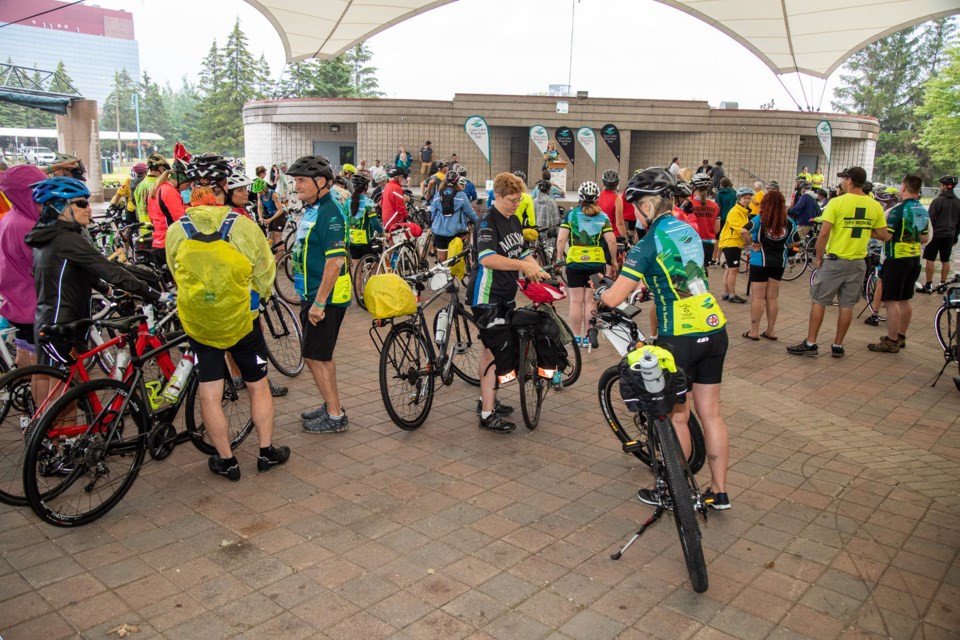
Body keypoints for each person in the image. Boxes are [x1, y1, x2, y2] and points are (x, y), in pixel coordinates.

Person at [598, 167, 731, 510]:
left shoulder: (647, 243)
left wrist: (601, 292)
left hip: (680, 336)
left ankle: (675, 493)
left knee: (678, 416)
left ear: (645, 205)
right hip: (714, 326)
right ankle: (718, 492)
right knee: (712, 414)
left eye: (637, 207)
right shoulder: (688, 228)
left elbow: (613, 299)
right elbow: (682, 275)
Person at [165, 154, 288, 480]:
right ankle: (265, 452)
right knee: (258, 385)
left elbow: (175, 272)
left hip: (200, 324)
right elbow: (265, 272)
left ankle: (226, 460)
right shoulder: (242, 226)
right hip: (240, 322)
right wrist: (255, 299)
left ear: (193, 188)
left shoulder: (178, 229)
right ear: (223, 186)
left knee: (210, 390)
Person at [469, 172, 546, 434]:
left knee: (490, 351)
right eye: (512, 200)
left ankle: (486, 400)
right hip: (486, 297)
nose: (516, 204)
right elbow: (488, 259)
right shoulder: (487, 222)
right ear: (497, 197)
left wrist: (541, 272)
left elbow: (522, 252)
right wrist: (524, 266)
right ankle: (487, 414)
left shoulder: (513, 221)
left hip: (506, 296)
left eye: (519, 199)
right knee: (495, 351)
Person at [787, 167, 890, 358]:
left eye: (843, 179)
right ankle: (838, 345)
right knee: (847, 305)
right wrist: (864, 229)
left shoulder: (838, 202)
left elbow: (824, 233)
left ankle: (811, 343)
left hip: (835, 260)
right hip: (858, 262)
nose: (841, 182)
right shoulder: (874, 205)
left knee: (819, 301)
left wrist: (818, 258)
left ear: (849, 181)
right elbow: (884, 235)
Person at [286, 155, 352, 434]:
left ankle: (335, 415)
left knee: (315, 357)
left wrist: (319, 303)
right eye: (295, 180)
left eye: (301, 180)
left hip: (324, 298)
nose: (296, 185)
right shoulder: (314, 208)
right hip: (312, 294)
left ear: (321, 182)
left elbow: (335, 261)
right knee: (320, 355)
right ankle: (331, 405)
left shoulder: (330, 212)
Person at [868, 175, 929, 353]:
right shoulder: (922, 210)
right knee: (905, 299)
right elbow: (924, 237)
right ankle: (901, 335)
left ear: (903, 187)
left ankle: (891, 340)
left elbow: (886, 235)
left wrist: (868, 232)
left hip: (896, 259)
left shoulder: (897, 210)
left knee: (891, 300)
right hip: (914, 258)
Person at [556, 181, 617, 346]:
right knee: (591, 301)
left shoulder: (571, 215)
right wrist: (613, 260)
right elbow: (611, 241)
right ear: (597, 198)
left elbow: (561, 238)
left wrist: (559, 257)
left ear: (580, 197)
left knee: (575, 301)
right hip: (596, 264)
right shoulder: (603, 217)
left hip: (574, 263)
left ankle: (577, 337)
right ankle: (590, 336)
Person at [0, 165, 47, 374]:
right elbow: (40, 265)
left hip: (16, 302)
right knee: (44, 370)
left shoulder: (10, 218)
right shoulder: (27, 226)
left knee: (25, 352)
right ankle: (44, 406)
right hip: (34, 302)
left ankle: (28, 397)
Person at [740, 190, 799, 340]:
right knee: (772, 298)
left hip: (760, 260)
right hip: (779, 262)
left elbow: (743, 231)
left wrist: (752, 244)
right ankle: (770, 331)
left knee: (758, 297)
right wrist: (786, 246)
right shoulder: (789, 222)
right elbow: (797, 241)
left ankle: (754, 331)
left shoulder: (760, 219)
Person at [918, 176, 959, 294]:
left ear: (946, 186)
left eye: (941, 185)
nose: (940, 187)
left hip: (935, 235)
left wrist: (925, 234)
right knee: (945, 260)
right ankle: (942, 284)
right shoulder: (958, 202)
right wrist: (955, 235)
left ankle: (929, 284)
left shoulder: (937, 201)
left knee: (930, 259)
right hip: (950, 235)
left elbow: (929, 219)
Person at [146, 159, 190, 260]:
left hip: (158, 241)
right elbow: (181, 219)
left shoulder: (158, 188)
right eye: (187, 185)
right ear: (180, 179)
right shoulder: (170, 192)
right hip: (169, 242)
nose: (186, 189)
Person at [431, 171, 478, 262]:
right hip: (455, 232)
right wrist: (478, 221)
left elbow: (433, 213)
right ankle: (453, 275)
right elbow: (470, 213)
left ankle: (441, 275)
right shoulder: (461, 195)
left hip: (439, 231)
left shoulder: (438, 194)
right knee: (454, 262)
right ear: (457, 182)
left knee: (442, 261)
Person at [717, 187, 753, 303]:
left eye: (749, 198)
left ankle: (726, 293)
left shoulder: (743, 212)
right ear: (739, 199)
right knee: (733, 270)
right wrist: (752, 243)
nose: (747, 200)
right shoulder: (735, 212)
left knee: (729, 269)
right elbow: (743, 230)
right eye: (744, 198)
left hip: (732, 242)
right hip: (731, 242)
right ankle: (732, 295)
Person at [346, 173, 383, 260]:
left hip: (351, 239)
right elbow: (374, 222)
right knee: (375, 266)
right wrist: (383, 233)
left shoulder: (347, 201)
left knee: (356, 268)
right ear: (365, 187)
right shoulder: (368, 202)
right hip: (366, 241)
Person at [689, 173, 720, 268]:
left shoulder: (689, 205)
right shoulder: (715, 206)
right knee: (704, 273)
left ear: (694, 187)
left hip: (691, 243)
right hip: (708, 244)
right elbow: (716, 230)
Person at [254, 168, 285, 247]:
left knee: (276, 237)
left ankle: (281, 259)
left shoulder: (274, 195)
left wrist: (270, 219)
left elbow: (280, 210)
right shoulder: (259, 194)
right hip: (271, 215)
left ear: (265, 188)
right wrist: (260, 217)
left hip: (279, 215)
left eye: (260, 191)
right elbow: (260, 206)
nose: (259, 193)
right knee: (270, 238)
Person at [598, 170, 626, 237]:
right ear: (617, 184)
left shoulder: (597, 196)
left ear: (603, 183)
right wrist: (625, 238)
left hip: (599, 233)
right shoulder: (617, 199)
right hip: (613, 234)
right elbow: (619, 223)